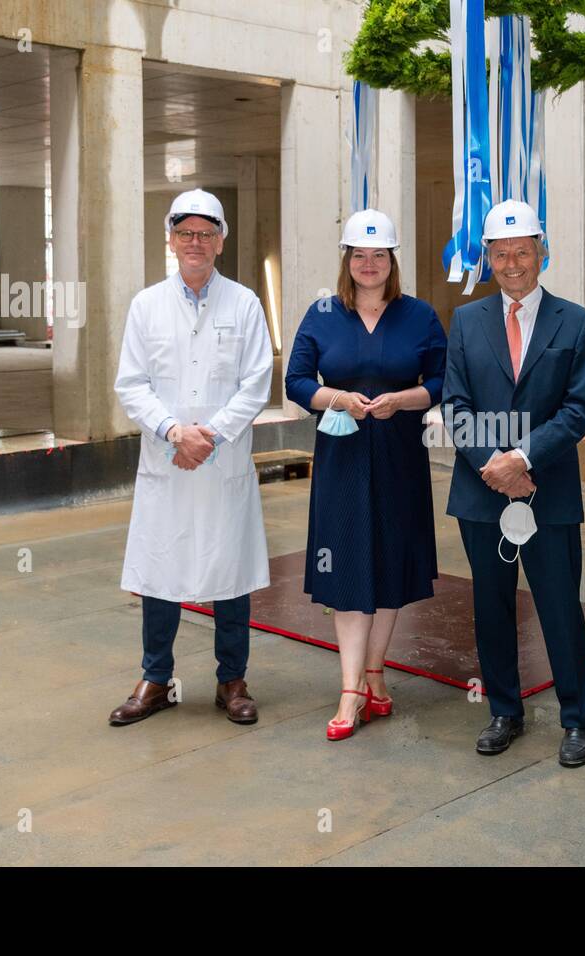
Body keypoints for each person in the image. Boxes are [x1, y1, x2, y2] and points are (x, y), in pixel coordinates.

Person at [109, 188, 274, 727]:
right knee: (161, 571)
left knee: (230, 572)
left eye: (206, 233)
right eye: (186, 233)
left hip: (221, 462)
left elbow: (256, 384)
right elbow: (131, 384)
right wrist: (175, 432)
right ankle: (155, 679)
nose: (195, 242)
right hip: (168, 460)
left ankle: (233, 681)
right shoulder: (146, 305)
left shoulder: (246, 303)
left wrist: (210, 436)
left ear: (221, 240)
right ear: (171, 239)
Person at [443, 199, 585, 768]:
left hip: (547, 492)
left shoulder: (576, 322)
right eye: (501, 254)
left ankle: (578, 718)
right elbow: (455, 404)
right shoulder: (465, 322)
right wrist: (494, 463)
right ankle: (505, 711)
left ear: (542, 252)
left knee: (559, 607)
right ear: (487, 258)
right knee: (491, 608)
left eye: (523, 252)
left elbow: (577, 412)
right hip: (482, 491)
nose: (513, 264)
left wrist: (522, 460)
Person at [285, 209, 447, 741]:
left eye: (379, 255)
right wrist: (336, 398)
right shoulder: (323, 313)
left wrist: (405, 400)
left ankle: (376, 672)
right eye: (360, 255)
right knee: (350, 563)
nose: (369, 264)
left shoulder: (419, 315)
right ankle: (351, 688)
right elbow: (296, 380)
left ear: (392, 260)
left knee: (390, 564)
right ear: (347, 260)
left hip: (401, 454)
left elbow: (444, 380)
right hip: (343, 455)